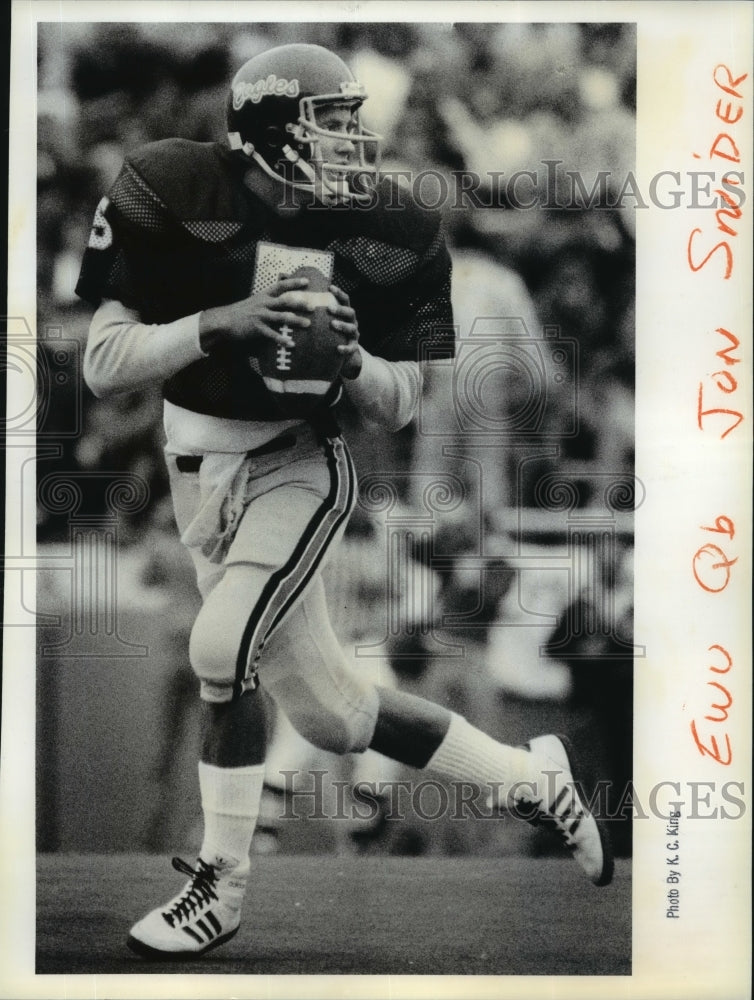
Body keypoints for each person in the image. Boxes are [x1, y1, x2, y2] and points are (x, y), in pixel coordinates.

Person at [76, 42, 613, 961]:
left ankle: (222, 887)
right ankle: (529, 778)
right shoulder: (170, 187)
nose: (352, 141)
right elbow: (101, 362)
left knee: (221, 645)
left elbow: (409, 398)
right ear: (268, 129)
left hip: (301, 464)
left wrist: (357, 363)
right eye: (333, 122)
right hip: (194, 469)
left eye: (353, 121)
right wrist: (217, 326)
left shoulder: (387, 224)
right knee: (333, 714)